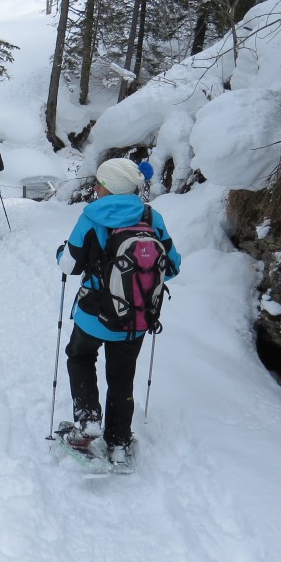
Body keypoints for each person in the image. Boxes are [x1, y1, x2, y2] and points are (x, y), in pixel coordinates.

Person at [55, 157, 181, 465]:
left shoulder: (93, 217)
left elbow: (68, 264)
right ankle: (120, 442)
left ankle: (87, 424)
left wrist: (62, 250)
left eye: (99, 182)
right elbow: (173, 266)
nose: (95, 186)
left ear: (108, 187)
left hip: (93, 315)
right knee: (122, 376)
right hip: (136, 318)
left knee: (80, 357)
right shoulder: (152, 217)